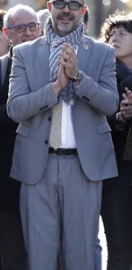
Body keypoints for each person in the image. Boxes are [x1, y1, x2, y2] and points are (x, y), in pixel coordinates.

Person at [6, 0, 118, 269]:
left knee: (80, 256)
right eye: (60, 3)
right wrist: (55, 87)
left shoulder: (102, 52)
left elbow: (110, 105)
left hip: (84, 166)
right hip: (37, 166)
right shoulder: (24, 53)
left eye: (74, 3)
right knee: (40, 257)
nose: (66, 9)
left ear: (83, 9)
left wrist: (78, 78)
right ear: (49, 6)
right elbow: (15, 108)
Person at [0, 4, 41, 270]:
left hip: (46, 178)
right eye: (19, 28)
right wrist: (23, 105)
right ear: (7, 33)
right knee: (13, 258)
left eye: (32, 27)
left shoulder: (56, 66)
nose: (27, 33)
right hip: (6, 180)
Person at [100, 12, 132, 270]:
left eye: (123, 33)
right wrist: (121, 116)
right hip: (117, 173)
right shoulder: (103, 74)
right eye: (111, 34)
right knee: (119, 251)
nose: (114, 38)